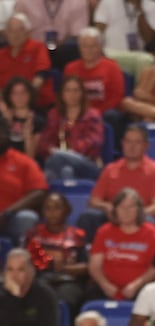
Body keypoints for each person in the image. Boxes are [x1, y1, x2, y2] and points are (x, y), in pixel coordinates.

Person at [83, 123, 155, 240]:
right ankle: (86, 256)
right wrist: (107, 206)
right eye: (128, 142)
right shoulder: (110, 169)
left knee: (149, 221)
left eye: (137, 142)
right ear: (122, 144)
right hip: (113, 216)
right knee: (88, 217)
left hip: (140, 218)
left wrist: (133, 214)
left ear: (146, 146)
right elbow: (93, 201)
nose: (132, 146)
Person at [87, 188, 155, 304]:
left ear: (139, 210)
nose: (126, 211)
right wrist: (105, 285)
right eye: (121, 207)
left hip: (141, 287)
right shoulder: (104, 231)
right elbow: (95, 266)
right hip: (106, 287)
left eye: (131, 207)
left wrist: (136, 285)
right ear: (115, 210)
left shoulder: (152, 233)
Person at [24, 190, 89, 316]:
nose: (52, 213)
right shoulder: (33, 234)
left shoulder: (78, 235)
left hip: (69, 281)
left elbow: (87, 267)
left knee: (64, 299)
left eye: (57, 208)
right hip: (40, 279)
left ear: (66, 210)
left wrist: (65, 268)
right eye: (48, 208)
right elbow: (25, 263)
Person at [0, 247, 62, 326]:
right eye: (10, 269)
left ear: (31, 272)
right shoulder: (2, 296)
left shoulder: (45, 295)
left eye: (20, 270)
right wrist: (14, 298)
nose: (14, 275)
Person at [37, 75, 104, 181]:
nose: (72, 94)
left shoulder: (92, 115)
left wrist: (69, 152)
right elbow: (45, 141)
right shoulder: (54, 114)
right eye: (68, 90)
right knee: (66, 170)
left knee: (58, 162)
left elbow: (94, 141)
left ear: (82, 93)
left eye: (76, 90)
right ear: (62, 94)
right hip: (57, 159)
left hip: (86, 162)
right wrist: (51, 149)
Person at [0, 113, 48, 245]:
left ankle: (20, 261)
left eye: (3, 131)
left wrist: (8, 212)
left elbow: (39, 192)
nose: (1, 136)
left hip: (11, 219)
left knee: (27, 217)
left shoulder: (23, 161)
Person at [64, 27, 126, 117]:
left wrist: (96, 113)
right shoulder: (70, 68)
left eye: (93, 46)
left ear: (100, 47)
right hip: (78, 112)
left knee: (112, 115)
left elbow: (117, 97)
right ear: (79, 48)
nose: (88, 50)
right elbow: (66, 94)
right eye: (85, 46)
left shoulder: (112, 66)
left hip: (105, 112)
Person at [93, 0, 155, 78]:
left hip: (137, 55)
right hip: (110, 53)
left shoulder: (154, 6)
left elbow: (149, 39)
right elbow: (98, 32)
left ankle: (140, 90)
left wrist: (139, 10)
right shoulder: (107, 2)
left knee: (147, 60)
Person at [0, 14, 54, 110]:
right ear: (6, 33)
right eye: (11, 31)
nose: (15, 34)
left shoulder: (38, 47)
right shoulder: (1, 54)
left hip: (36, 104)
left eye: (19, 30)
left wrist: (21, 100)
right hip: (6, 106)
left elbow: (40, 78)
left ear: (28, 32)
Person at [0, 75, 43, 158]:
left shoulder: (38, 120)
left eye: (23, 92)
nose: (19, 97)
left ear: (30, 94)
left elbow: (31, 156)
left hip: (25, 165)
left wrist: (28, 134)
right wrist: (7, 122)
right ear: (9, 96)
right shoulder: (2, 118)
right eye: (15, 93)